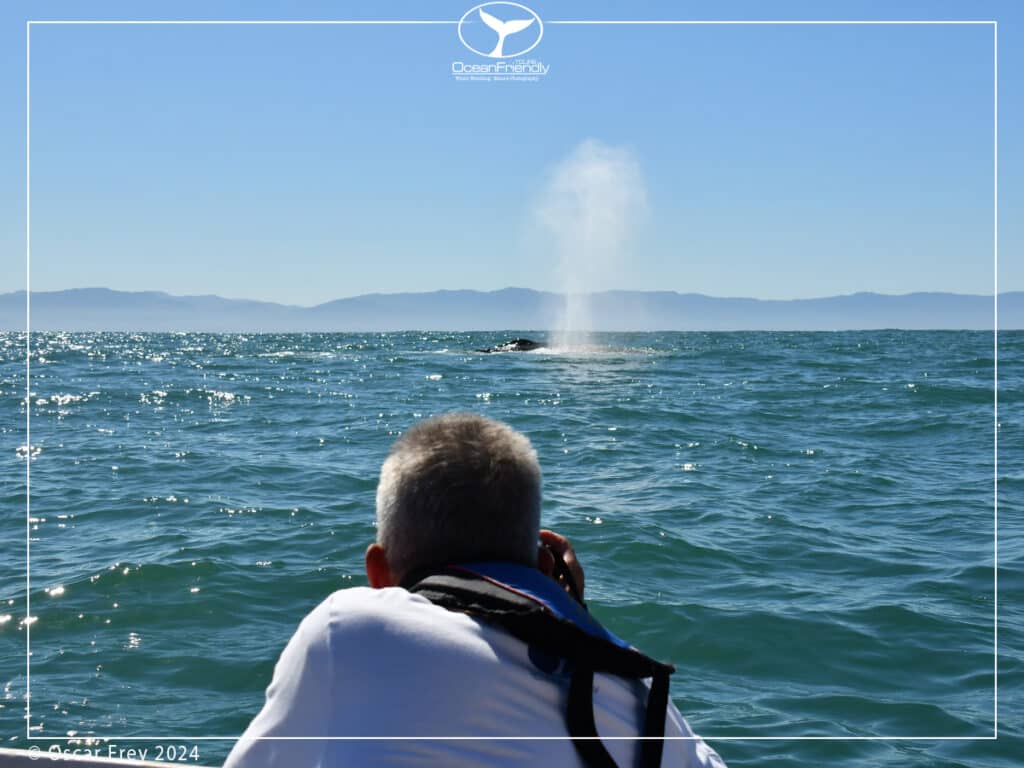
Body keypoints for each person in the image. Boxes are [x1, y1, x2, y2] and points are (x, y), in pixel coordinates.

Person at [224, 413, 726, 768]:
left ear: (377, 573)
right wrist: (571, 615)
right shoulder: (637, 688)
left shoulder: (349, 629)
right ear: (543, 563)